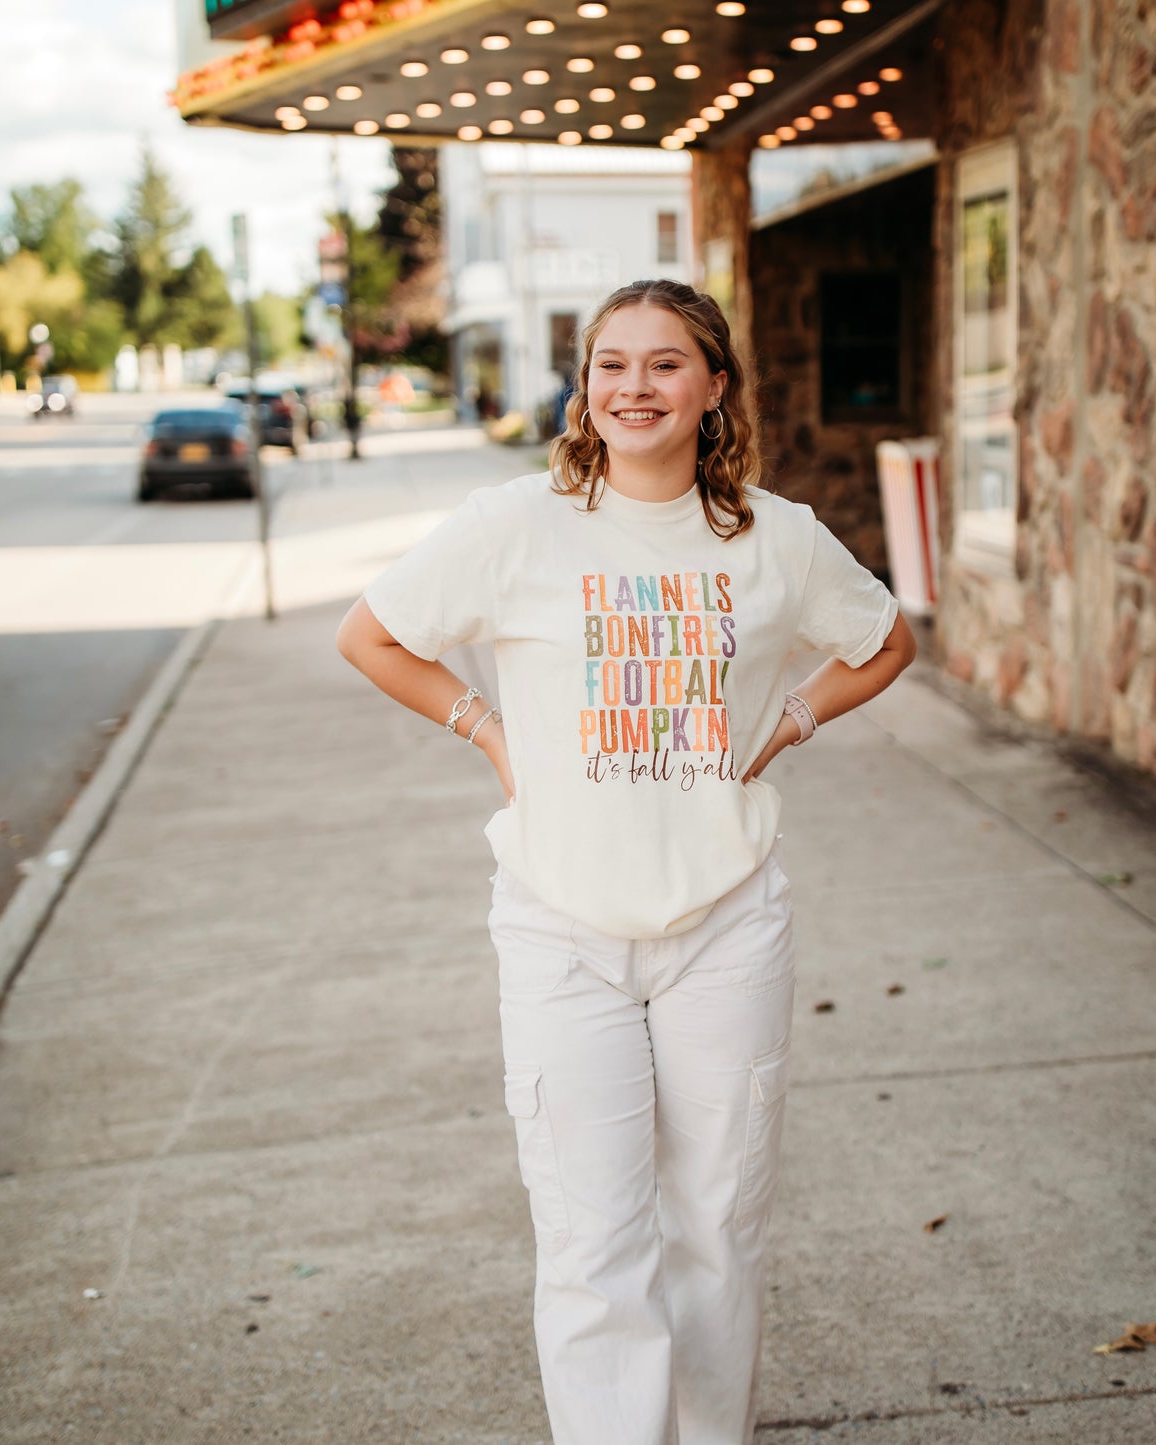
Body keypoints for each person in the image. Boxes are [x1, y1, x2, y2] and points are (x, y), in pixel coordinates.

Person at [336, 278, 917, 1445]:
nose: (633, 386)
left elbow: (883, 638)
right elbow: (371, 634)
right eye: (610, 363)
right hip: (559, 927)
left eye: (663, 364)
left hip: (726, 923)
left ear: (712, 388)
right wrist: (486, 726)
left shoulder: (776, 537)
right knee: (592, 1239)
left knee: (716, 1226)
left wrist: (793, 718)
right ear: (583, 384)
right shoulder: (515, 523)